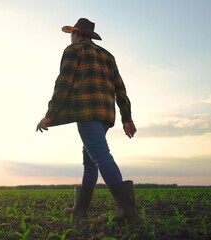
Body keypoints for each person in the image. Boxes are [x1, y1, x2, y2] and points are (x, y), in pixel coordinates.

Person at [36, 18, 140, 223]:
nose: (71, 38)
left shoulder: (73, 50)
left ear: (76, 33)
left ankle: (127, 210)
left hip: (86, 110)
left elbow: (63, 83)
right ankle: (80, 209)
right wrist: (126, 118)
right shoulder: (107, 56)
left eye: (71, 34)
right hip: (105, 114)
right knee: (90, 160)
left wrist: (49, 115)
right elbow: (121, 89)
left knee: (100, 154)